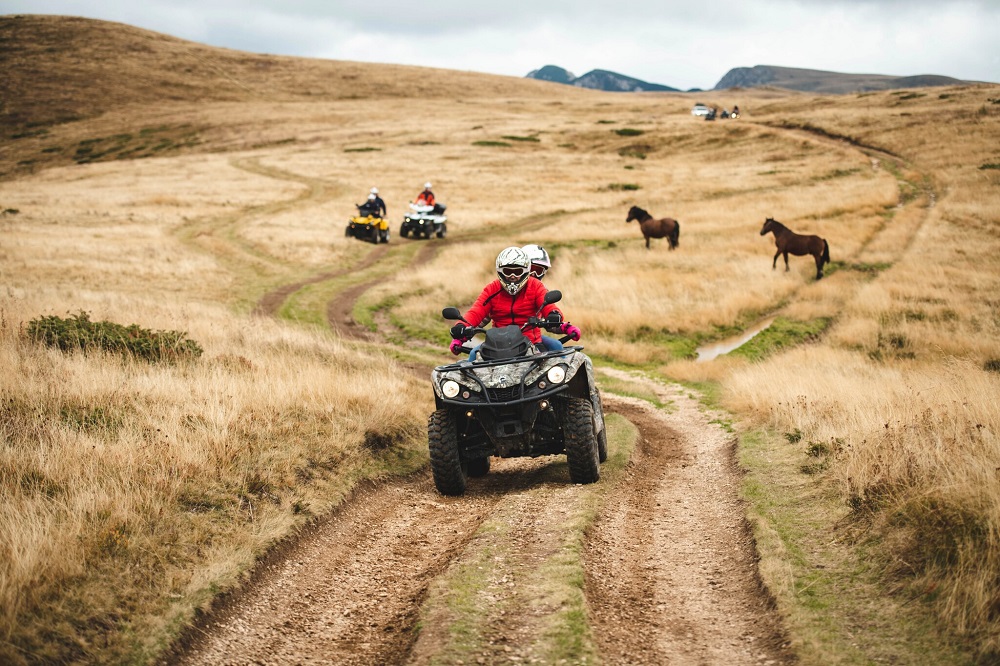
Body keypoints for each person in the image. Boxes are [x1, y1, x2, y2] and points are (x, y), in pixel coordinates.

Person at [449, 246, 580, 360]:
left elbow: (548, 305)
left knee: (556, 364)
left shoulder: (536, 286)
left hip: (531, 342)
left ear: (525, 270)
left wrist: (554, 314)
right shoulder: (491, 289)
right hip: (496, 345)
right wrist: (461, 327)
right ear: (500, 271)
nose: (512, 276)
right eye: (508, 271)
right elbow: (476, 312)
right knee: (473, 357)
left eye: (517, 271)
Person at [520, 244, 562, 352]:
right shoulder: (498, 288)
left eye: (538, 270)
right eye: (531, 269)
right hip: (500, 340)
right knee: (477, 353)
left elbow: (549, 312)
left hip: (531, 340)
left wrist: (565, 327)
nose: (534, 274)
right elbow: (482, 315)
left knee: (557, 346)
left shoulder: (540, 290)